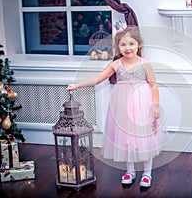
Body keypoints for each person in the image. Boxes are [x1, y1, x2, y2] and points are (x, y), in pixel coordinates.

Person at [66, 26, 163, 188]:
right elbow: (98, 78)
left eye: (131, 44)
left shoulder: (145, 64)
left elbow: (153, 85)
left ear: (139, 45)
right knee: (125, 137)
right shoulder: (116, 64)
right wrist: (76, 85)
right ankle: (130, 171)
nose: (127, 48)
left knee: (144, 137)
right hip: (122, 105)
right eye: (123, 45)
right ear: (118, 47)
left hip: (142, 104)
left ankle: (147, 173)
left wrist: (156, 106)